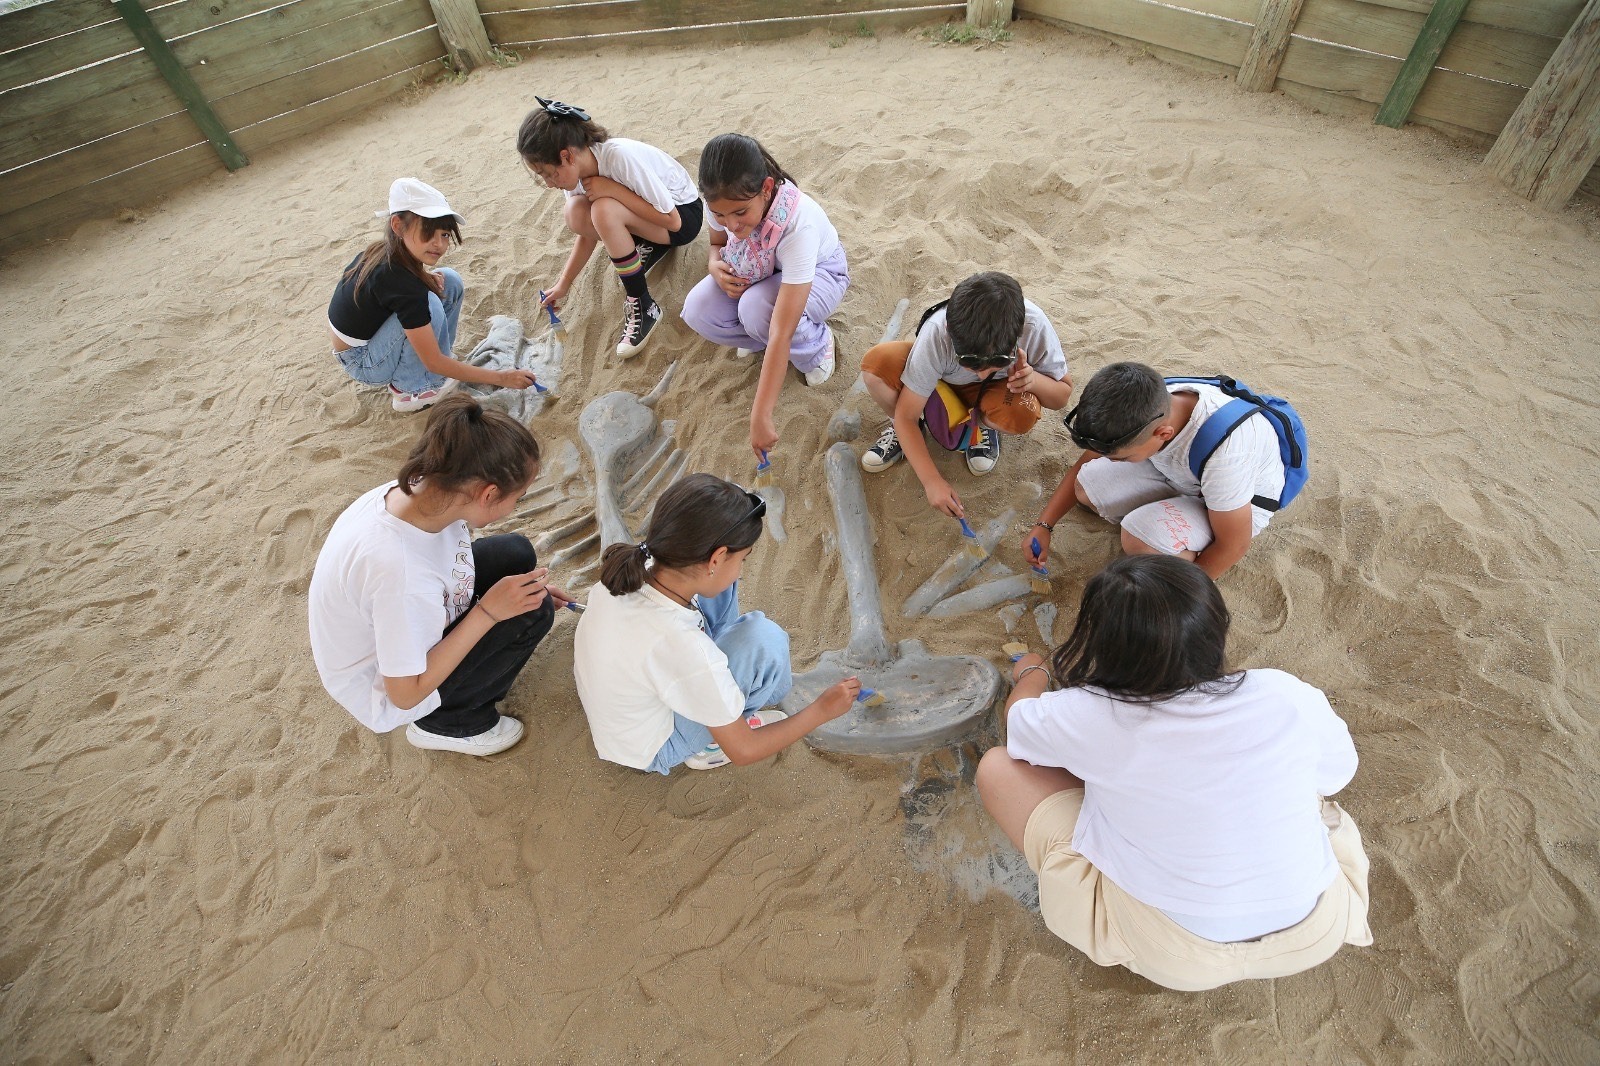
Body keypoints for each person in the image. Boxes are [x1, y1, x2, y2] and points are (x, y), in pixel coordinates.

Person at [976, 555, 1371, 991]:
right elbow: (1335, 777)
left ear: (1101, 643)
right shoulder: (1284, 694)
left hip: (1179, 955)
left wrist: (1031, 670)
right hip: (1317, 929)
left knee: (997, 768)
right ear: (1215, 627)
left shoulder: (1091, 713)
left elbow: (1017, 724)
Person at [308, 394, 570, 756]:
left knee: (515, 553)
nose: (516, 505)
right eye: (518, 497)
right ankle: (449, 724)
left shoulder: (421, 487)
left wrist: (517, 594)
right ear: (488, 493)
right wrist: (489, 612)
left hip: (399, 622)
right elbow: (404, 693)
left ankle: (459, 694)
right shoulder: (400, 575)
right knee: (532, 616)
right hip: (387, 687)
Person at [573, 473, 861, 773]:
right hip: (652, 746)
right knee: (765, 643)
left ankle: (718, 702)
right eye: (743, 559)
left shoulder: (630, 569)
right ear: (716, 558)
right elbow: (744, 750)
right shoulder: (688, 651)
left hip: (625, 712)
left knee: (720, 589)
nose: (740, 570)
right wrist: (822, 710)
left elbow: (674, 641)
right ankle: (709, 741)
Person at [1026, 361, 1293, 579]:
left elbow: (1233, 544)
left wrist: (1185, 596)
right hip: (1185, 474)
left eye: (1122, 458)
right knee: (1087, 486)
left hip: (1235, 504)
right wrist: (1044, 525)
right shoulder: (1147, 404)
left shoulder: (1228, 453)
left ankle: (1172, 547)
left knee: (1138, 540)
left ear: (1163, 433)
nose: (1111, 461)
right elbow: (1094, 455)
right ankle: (1159, 514)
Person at [680, 133, 850, 458]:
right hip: (761, 269)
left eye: (741, 213)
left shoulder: (798, 229)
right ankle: (759, 337)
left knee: (760, 312)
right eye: (720, 214)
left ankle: (817, 347)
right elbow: (717, 244)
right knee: (698, 308)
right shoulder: (722, 201)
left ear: (767, 189)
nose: (731, 223)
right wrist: (715, 266)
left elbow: (781, 331)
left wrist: (761, 415)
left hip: (822, 272)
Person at [858, 273, 1073, 515]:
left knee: (1021, 411)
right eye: (969, 362)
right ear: (951, 331)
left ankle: (981, 427)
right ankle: (909, 436)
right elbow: (906, 416)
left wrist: (1033, 381)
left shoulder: (1033, 326)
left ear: (1017, 336)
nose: (981, 374)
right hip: (940, 385)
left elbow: (1062, 396)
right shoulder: (937, 331)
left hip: (994, 392)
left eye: (998, 361)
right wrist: (932, 481)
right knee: (876, 366)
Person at [328, 177, 539, 412]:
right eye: (428, 232)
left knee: (449, 280)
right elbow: (433, 362)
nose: (439, 244)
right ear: (398, 226)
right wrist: (502, 378)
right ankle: (411, 388)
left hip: (369, 341)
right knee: (427, 303)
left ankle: (432, 362)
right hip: (364, 361)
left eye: (445, 235)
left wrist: (425, 281)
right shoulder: (399, 282)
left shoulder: (389, 252)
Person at [518, 97, 703, 359]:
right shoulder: (575, 175)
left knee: (603, 209)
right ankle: (649, 245)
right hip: (653, 221)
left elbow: (673, 220)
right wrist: (564, 283)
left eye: (549, 173)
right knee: (575, 212)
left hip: (684, 216)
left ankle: (644, 304)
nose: (549, 183)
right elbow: (587, 233)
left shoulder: (617, 157)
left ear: (567, 156)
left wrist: (612, 190)